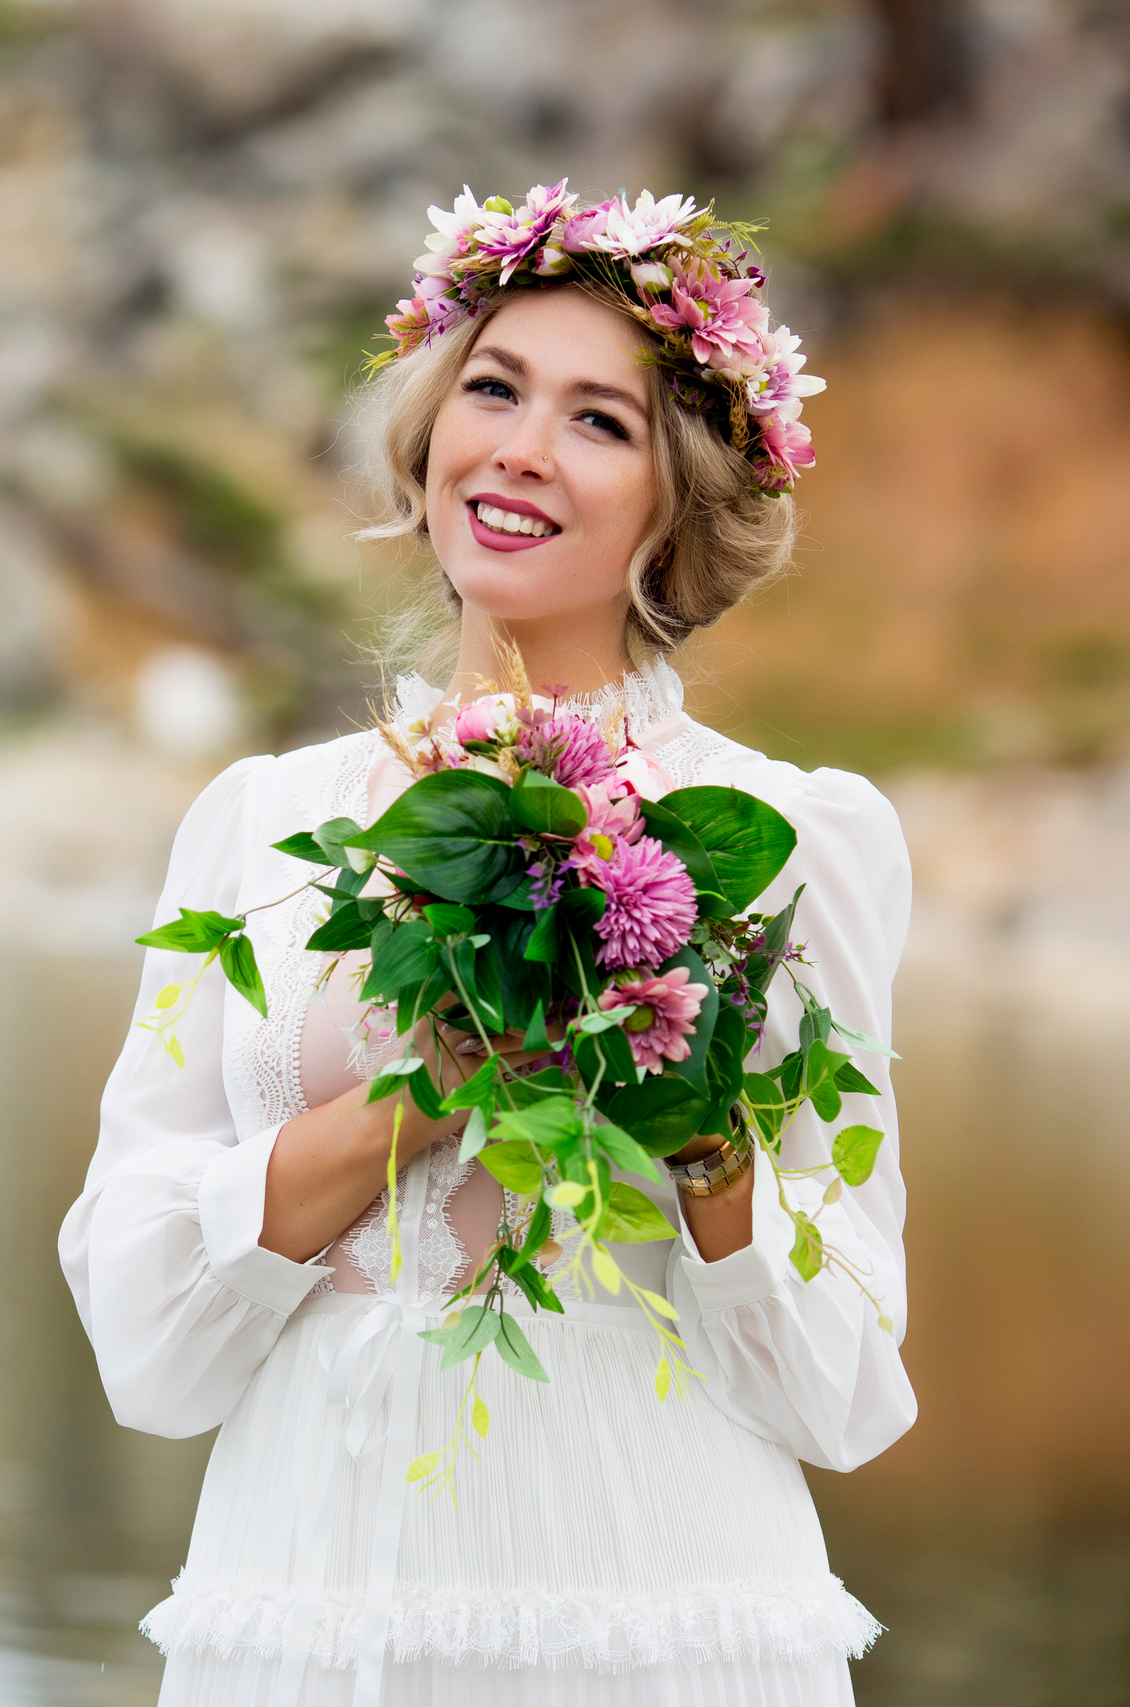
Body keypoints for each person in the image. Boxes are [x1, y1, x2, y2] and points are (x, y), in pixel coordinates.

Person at [57, 184, 916, 1706]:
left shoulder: (789, 846)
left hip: (652, 1602)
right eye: (496, 388)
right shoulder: (262, 823)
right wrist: (430, 1091)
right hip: (304, 1598)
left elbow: (842, 1382)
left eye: (601, 420)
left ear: (680, 495)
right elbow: (149, 1342)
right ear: (429, 427)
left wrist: (700, 1131)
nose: (519, 446)